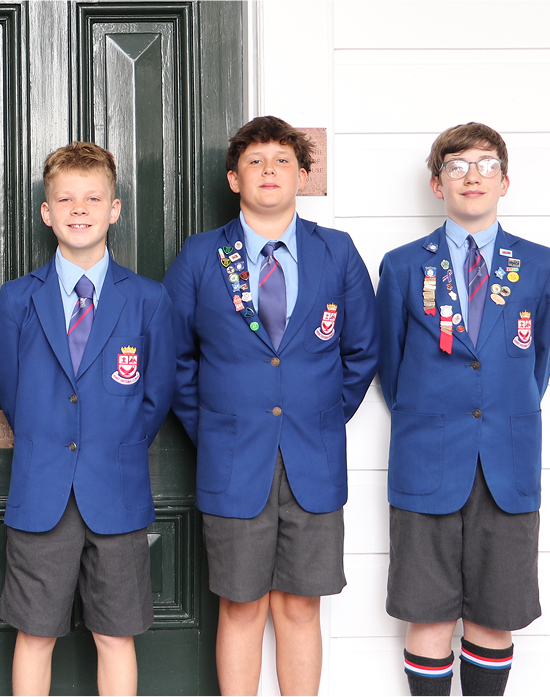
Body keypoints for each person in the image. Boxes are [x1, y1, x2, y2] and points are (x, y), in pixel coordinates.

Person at [163, 116, 378, 695]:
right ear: (234, 179)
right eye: (255, 162)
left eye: (282, 161)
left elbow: (362, 349)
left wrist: (325, 415)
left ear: (302, 176)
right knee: (240, 608)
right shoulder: (201, 255)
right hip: (232, 461)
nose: (269, 171)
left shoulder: (337, 252)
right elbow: (175, 358)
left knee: (300, 608)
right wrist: (211, 429)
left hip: (315, 458)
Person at [377, 122, 550, 697]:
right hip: (427, 459)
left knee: (494, 613)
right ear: (437, 184)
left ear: (506, 181)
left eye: (485, 165)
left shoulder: (539, 263)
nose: (472, 176)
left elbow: (540, 361)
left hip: (507, 462)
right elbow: (390, 364)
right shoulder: (405, 265)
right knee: (427, 613)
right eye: (457, 165)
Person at [0, 142, 175, 696]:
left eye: (93, 198)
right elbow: (9, 389)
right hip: (40, 489)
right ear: (46, 213)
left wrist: (112, 445)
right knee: (35, 632)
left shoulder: (148, 300)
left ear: (114, 209)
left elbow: (156, 396)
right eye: (65, 199)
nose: (79, 209)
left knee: (115, 635)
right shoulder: (19, 298)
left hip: (115, 491)